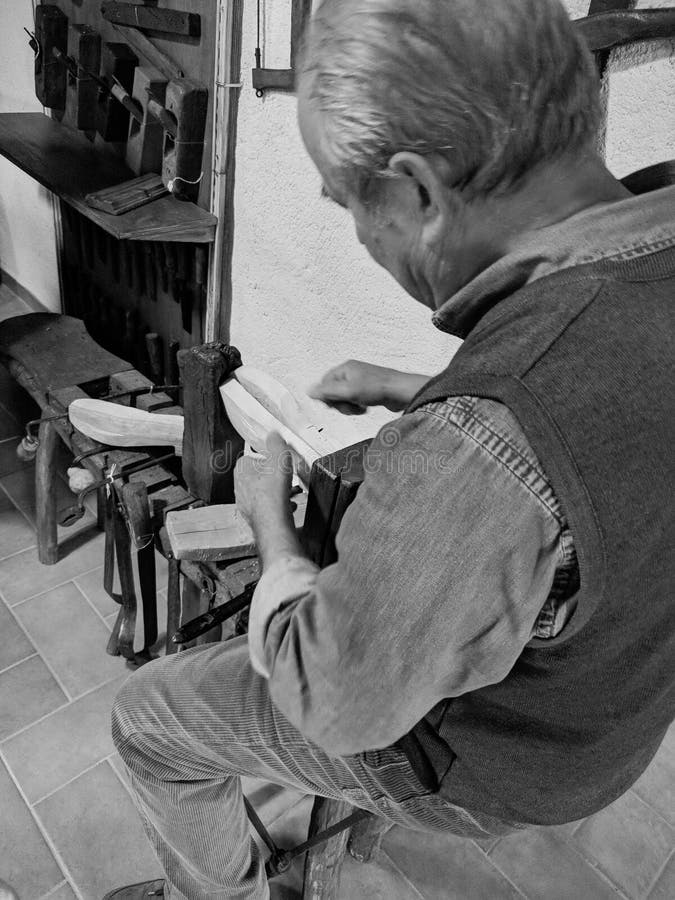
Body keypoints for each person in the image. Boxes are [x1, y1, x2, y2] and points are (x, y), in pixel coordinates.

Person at [104, 0, 675, 897]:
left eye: (349, 206)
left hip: (501, 762)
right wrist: (410, 388)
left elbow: (334, 702)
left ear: (413, 192)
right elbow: (596, 432)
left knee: (146, 719)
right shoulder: (654, 234)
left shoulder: (480, 442)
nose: (361, 238)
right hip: (615, 715)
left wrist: (270, 525)